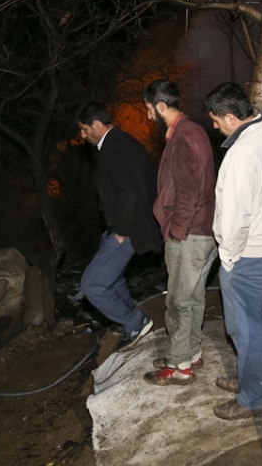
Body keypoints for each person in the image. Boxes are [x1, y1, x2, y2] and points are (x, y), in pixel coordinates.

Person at [204, 82, 262, 420]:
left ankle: (254, 399)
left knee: (246, 328)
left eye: (215, 120)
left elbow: (233, 218)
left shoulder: (240, 154)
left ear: (230, 116)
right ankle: (252, 379)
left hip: (247, 255)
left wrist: (228, 258)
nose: (214, 126)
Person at [141, 79, 218, 385]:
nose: (148, 116)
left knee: (178, 301)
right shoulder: (189, 131)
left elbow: (188, 192)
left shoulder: (185, 137)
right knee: (194, 296)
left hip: (190, 234)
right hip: (202, 231)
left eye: (148, 109)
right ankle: (190, 351)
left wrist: (176, 231)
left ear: (161, 106)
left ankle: (178, 366)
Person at [77, 102, 164, 351]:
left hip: (128, 230)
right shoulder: (123, 142)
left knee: (92, 284)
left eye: (84, 129)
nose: (82, 136)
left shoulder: (114, 148)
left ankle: (135, 322)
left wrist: (121, 231)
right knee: (112, 280)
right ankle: (129, 322)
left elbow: (128, 193)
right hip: (124, 227)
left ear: (96, 124)